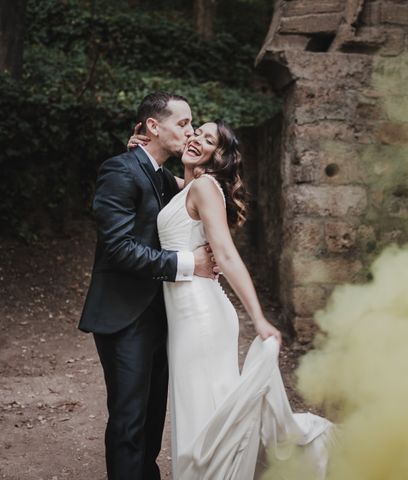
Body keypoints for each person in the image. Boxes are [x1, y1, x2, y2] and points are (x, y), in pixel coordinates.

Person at [129, 120, 334, 478]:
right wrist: (140, 151)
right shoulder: (188, 188)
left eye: (209, 140)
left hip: (200, 316)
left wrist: (259, 318)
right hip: (185, 315)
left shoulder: (205, 187)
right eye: (196, 132)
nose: (196, 139)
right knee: (202, 410)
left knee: (206, 414)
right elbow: (160, 179)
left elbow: (225, 254)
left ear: (217, 157)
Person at [79, 92, 218, 480]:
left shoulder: (159, 175)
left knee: (153, 417)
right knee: (128, 422)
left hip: (161, 314)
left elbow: (192, 194)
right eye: (183, 123)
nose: (190, 130)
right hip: (124, 316)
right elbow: (120, 249)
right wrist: (191, 263)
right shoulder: (120, 171)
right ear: (153, 127)